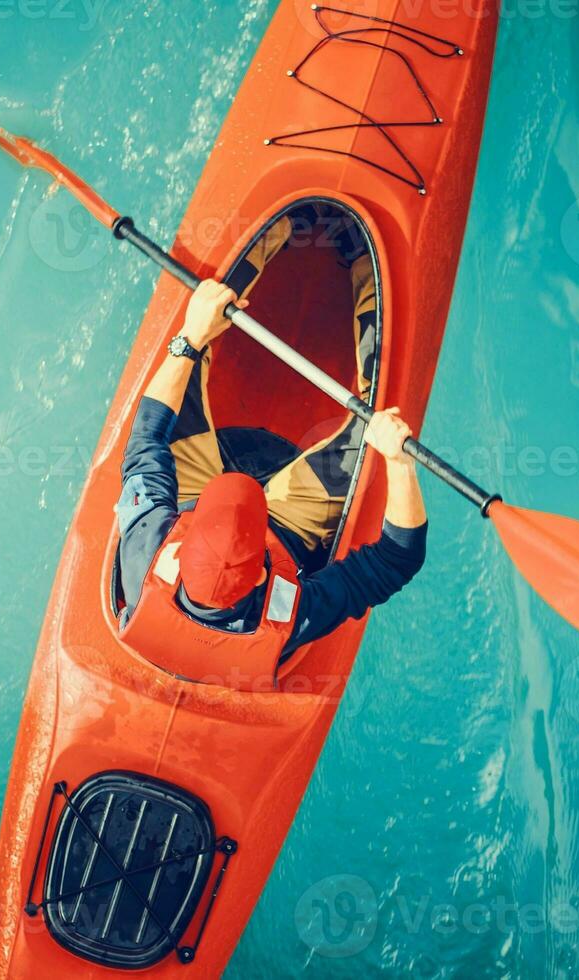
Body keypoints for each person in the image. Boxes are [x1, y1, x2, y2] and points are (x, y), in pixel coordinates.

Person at [114, 259, 426, 682]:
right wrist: (397, 460)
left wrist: (189, 338)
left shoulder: (145, 550)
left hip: (187, 499)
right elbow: (395, 560)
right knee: (367, 433)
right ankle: (361, 264)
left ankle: (219, 297)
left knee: (186, 363)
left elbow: (147, 438)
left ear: (181, 547)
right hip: (288, 532)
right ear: (262, 574)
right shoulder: (293, 616)